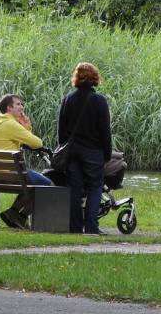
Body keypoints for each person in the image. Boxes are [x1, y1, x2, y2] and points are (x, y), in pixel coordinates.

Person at [57, 62, 112, 235]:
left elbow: (61, 130)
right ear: (95, 78)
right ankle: (91, 227)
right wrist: (107, 153)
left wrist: (64, 148)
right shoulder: (99, 101)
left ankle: (74, 228)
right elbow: (105, 131)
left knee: (74, 189)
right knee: (95, 187)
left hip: (72, 152)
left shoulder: (68, 99)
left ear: (76, 78)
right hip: (93, 151)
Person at [0, 94, 53, 229]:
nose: (22, 107)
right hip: (11, 173)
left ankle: (15, 214)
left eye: (21, 104)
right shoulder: (10, 124)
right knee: (50, 186)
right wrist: (27, 126)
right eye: (18, 104)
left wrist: (25, 127)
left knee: (32, 184)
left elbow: (22, 139)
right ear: (9, 108)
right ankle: (18, 214)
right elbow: (37, 143)